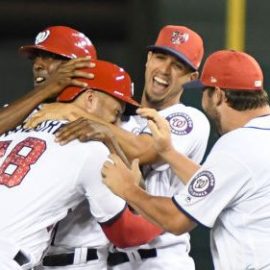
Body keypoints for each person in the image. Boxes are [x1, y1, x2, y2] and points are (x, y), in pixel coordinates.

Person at [28, 25, 210, 269]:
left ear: (192, 78)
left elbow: (146, 151)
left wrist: (75, 113)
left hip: (160, 258)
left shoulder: (187, 119)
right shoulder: (121, 121)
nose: (165, 70)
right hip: (109, 258)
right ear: (148, 59)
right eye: (160, 57)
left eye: (178, 66)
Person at [102, 50, 270, 270]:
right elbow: (218, 185)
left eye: (204, 92)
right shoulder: (258, 139)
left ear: (218, 95)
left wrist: (128, 189)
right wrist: (168, 152)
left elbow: (177, 220)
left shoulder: (237, 145)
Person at [0, 60, 163, 270]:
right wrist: (170, 217)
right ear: (90, 99)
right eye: (115, 113)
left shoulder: (15, 123)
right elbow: (126, 233)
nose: (116, 124)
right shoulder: (90, 148)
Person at [0, 25, 96, 135]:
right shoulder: (13, 112)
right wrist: (47, 89)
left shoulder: (97, 113)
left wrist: (72, 111)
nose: (36, 65)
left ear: (80, 66)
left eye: (50, 56)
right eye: (34, 59)